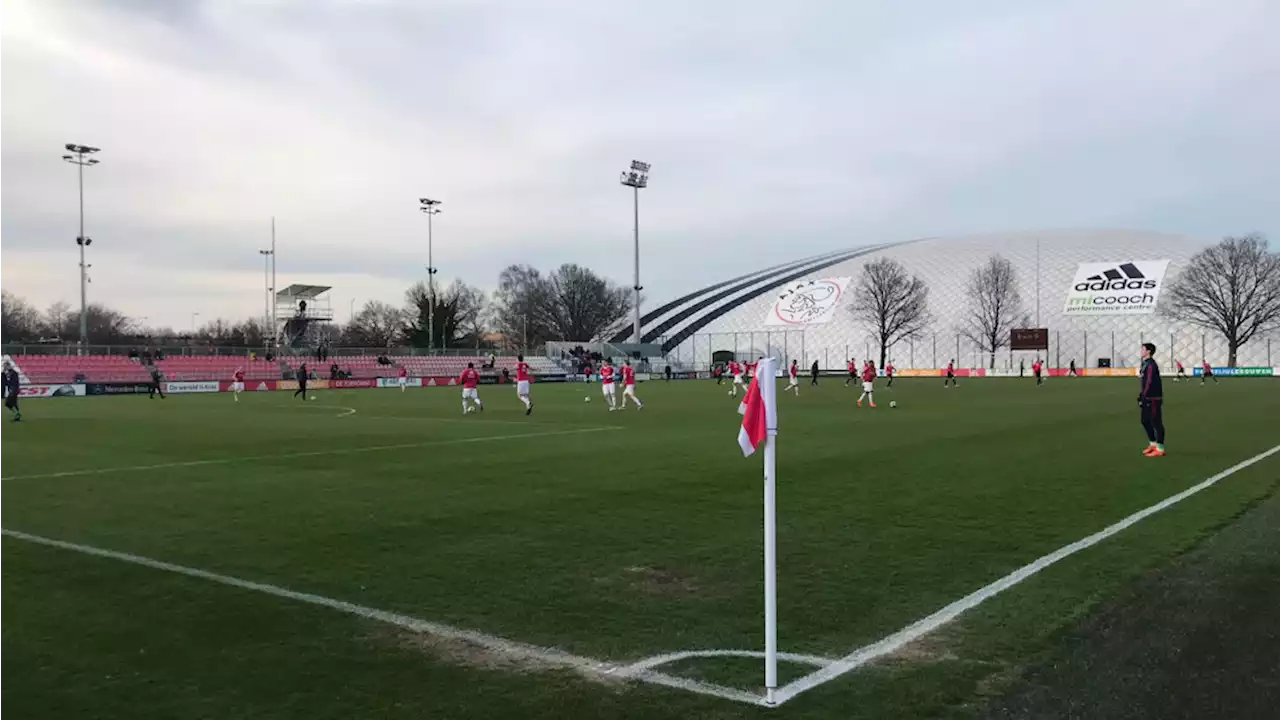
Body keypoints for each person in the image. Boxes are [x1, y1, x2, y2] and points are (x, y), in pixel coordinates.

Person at [1138, 343, 1166, 457]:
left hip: (1153, 398)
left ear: (1148, 351)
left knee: (1156, 422)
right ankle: (1153, 444)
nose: (1141, 351)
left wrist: (1144, 396)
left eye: (1143, 349)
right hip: (1146, 397)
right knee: (1145, 420)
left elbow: (1149, 381)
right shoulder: (1144, 364)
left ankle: (1160, 448)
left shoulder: (1151, 365)